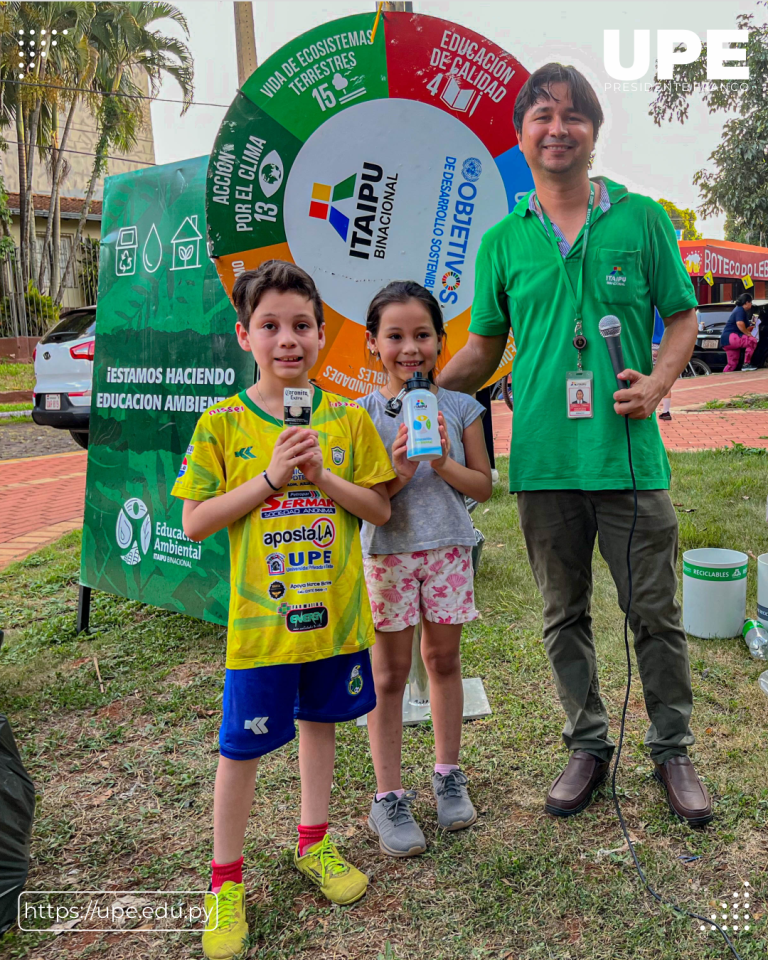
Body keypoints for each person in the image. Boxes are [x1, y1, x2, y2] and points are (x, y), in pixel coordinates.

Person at [439, 63, 712, 827]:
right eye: (542, 116)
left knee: (653, 612)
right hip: (545, 462)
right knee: (564, 617)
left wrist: (658, 383)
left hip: (627, 457)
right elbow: (486, 349)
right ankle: (587, 745)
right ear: (520, 135)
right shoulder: (502, 241)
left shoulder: (642, 219)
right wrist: (415, 392)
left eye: (573, 116)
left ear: (594, 132)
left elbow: (683, 318)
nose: (557, 128)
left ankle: (673, 750)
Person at [172, 261, 396, 959]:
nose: (287, 339)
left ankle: (315, 842)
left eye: (301, 325)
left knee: (321, 725)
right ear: (245, 335)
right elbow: (195, 521)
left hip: (331, 620)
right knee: (240, 749)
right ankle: (224, 882)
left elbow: (380, 508)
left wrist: (321, 476)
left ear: (323, 336)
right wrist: (270, 478)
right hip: (260, 628)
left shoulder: (348, 418)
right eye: (270, 325)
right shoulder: (224, 422)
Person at [358, 281, 492, 857]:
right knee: (387, 677)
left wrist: (440, 459)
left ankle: (447, 773)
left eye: (422, 335)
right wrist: (399, 472)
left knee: (443, 661)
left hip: (448, 552)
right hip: (386, 553)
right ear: (372, 344)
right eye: (395, 336)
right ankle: (388, 795)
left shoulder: (461, 407)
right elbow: (362, 499)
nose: (409, 348)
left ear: (441, 341)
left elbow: (483, 485)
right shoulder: (358, 415)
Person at [720, 293, 757, 372]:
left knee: (732, 364)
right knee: (752, 341)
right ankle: (746, 364)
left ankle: (724, 378)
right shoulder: (740, 309)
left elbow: (742, 325)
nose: (751, 304)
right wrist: (748, 333)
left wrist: (749, 328)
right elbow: (739, 323)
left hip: (726, 340)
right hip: (732, 336)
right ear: (746, 302)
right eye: (751, 302)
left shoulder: (737, 309)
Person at [653, 307, 673, 420]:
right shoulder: (665, 309)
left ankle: (651, 409)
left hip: (650, 345)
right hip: (665, 344)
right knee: (664, 378)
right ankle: (666, 411)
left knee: (648, 377)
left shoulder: (648, 307)